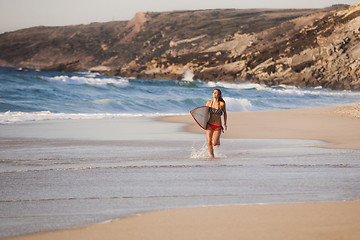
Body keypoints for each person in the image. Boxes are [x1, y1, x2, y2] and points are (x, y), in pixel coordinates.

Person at [206, 88, 227, 158]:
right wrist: (203, 123)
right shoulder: (209, 103)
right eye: (214, 92)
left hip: (217, 126)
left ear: (219, 95)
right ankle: (212, 157)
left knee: (214, 143)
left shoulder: (222, 104)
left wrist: (225, 123)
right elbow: (204, 113)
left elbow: (225, 113)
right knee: (209, 142)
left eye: (216, 93)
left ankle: (217, 140)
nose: (214, 94)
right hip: (209, 124)